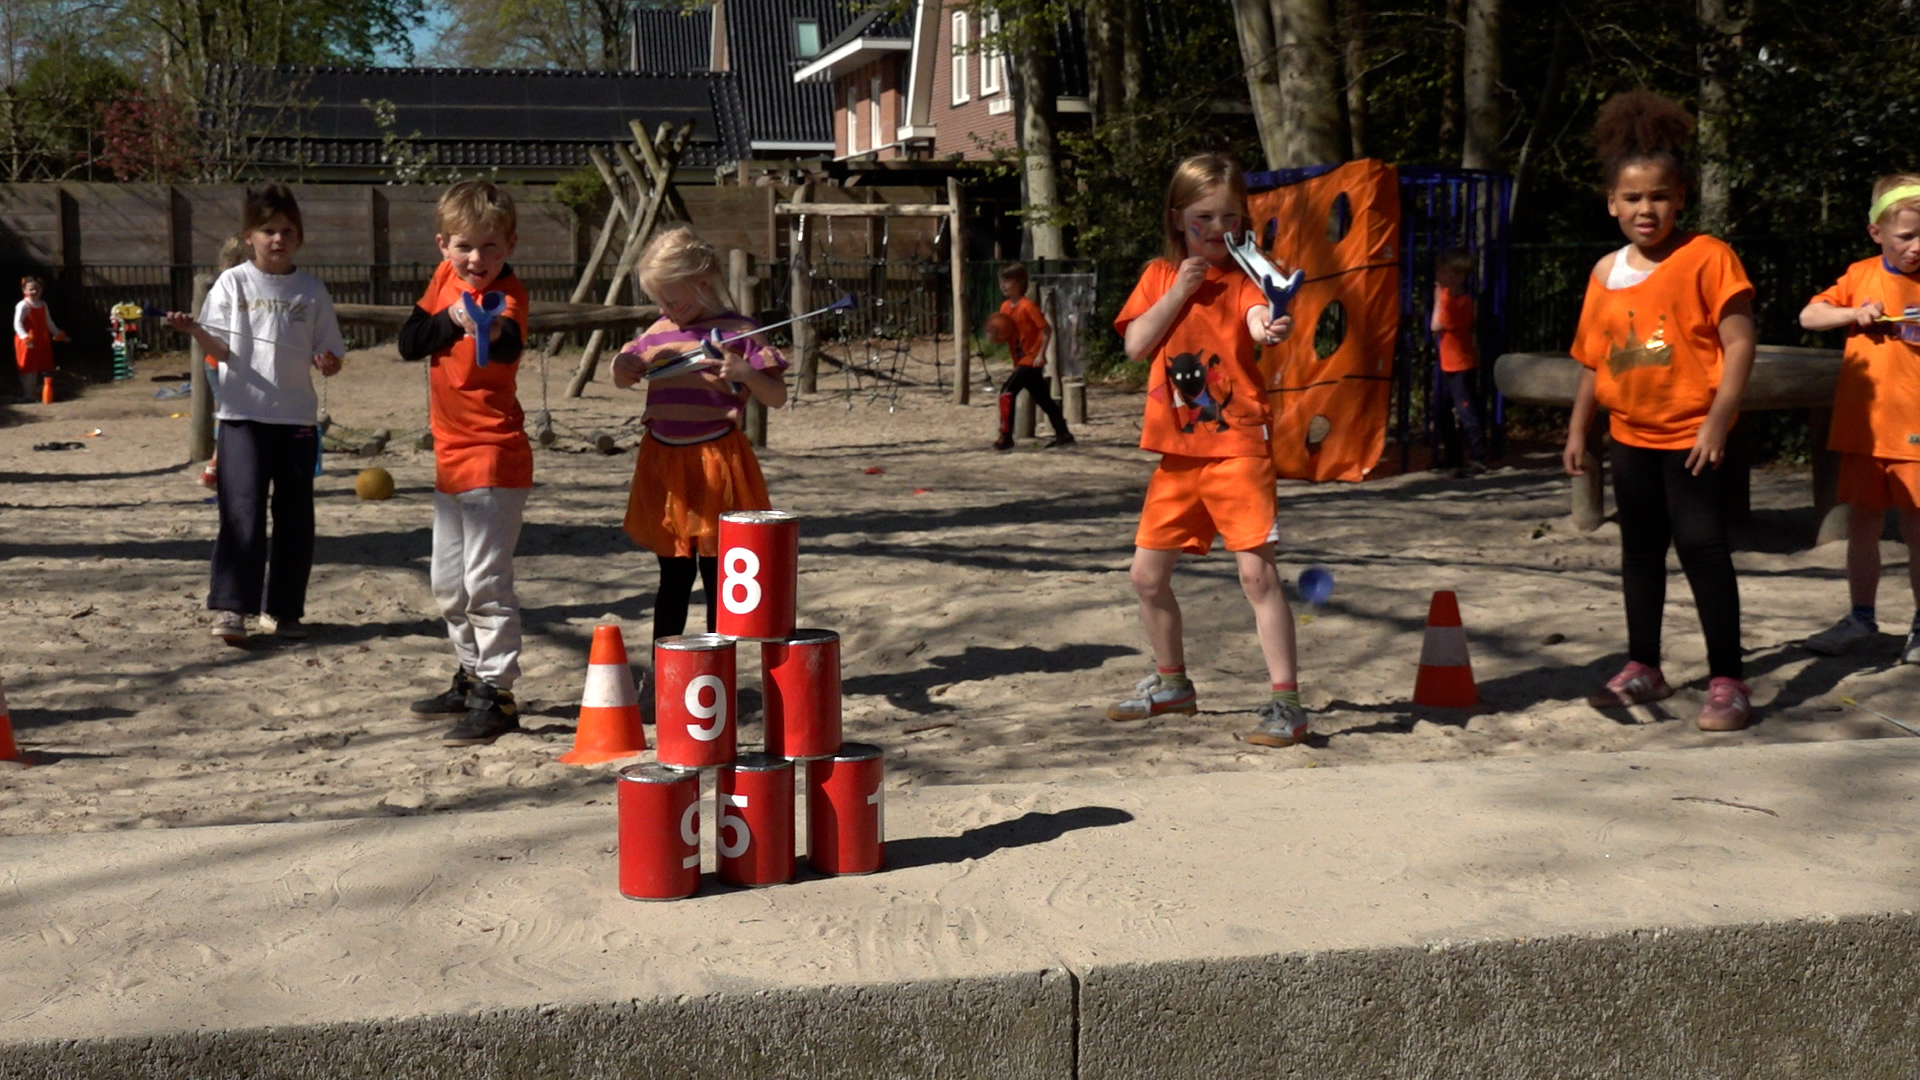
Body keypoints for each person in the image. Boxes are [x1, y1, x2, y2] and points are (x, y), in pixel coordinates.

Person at [1562, 91, 1757, 731]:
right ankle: (1644, 665)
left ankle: (1728, 679)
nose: (1647, 209)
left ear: (1681, 198)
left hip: (1693, 437)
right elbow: (1597, 360)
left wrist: (1717, 420)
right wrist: (1578, 430)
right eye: (1633, 198)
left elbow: (1739, 342)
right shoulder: (1604, 273)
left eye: (1660, 196)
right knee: (1640, 552)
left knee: (1703, 548)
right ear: (1612, 202)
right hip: (1630, 439)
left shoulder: (1709, 256)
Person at [1106, 152, 1305, 748]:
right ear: (1176, 218)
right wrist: (1180, 290)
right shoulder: (1158, 276)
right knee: (1146, 576)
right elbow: (1137, 344)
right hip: (1177, 455)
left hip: (1239, 447)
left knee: (1256, 575)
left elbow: (1256, 320)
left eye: (1230, 217)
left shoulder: (1248, 276)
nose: (1219, 230)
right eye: (1203, 218)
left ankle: (1286, 703)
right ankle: (1173, 686)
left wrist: (1270, 327)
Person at [164, 185, 346, 647]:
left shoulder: (311, 290)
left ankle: (284, 611)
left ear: (299, 237)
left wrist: (327, 360)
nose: (277, 240)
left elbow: (332, 353)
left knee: (295, 516)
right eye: (268, 231)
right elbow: (220, 347)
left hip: (296, 419)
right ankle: (231, 606)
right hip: (243, 417)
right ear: (249, 236)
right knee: (241, 512)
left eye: (287, 231)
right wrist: (195, 331)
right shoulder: (233, 283)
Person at [398, 181, 532, 747]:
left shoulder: (510, 295)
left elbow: (505, 345)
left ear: (509, 247)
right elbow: (411, 341)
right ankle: (470, 673)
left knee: (484, 582)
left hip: (494, 456)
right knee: (448, 585)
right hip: (449, 459)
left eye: (491, 248)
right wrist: (452, 317)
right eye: (465, 247)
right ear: (443, 245)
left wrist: (490, 327)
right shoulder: (442, 282)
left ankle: (497, 693)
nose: (478, 260)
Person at [611, 226, 789, 642]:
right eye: (659, 301)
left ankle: (716, 663)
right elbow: (623, 374)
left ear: (703, 284)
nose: (667, 309)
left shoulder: (738, 332)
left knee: (716, 573)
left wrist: (746, 373)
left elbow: (776, 396)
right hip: (665, 463)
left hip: (716, 463)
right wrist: (622, 367)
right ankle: (665, 666)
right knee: (673, 574)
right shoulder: (658, 333)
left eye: (673, 298)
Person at [1799, 173, 1920, 664]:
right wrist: (1852, 314)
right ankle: (1861, 618)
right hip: (1865, 432)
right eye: (1906, 236)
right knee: (1863, 529)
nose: (1916, 247)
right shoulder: (1860, 275)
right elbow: (1809, 315)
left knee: (1917, 532)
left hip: (1915, 435)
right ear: (1877, 233)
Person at [991, 262, 1073, 451]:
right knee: (1043, 399)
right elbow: (1007, 332)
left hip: (1030, 359)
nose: (1003, 286)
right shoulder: (1005, 307)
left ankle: (1005, 436)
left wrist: (1041, 354)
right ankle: (1063, 433)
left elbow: (1046, 330)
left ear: (1019, 283)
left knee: (1006, 393)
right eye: (1001, 282)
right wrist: (995, 335)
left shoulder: (1027, 306)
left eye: (1007, 282)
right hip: (1019, 358)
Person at [1430, 248, 1488, 477]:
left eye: (1444, 272)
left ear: (1459, 277)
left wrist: (1437, 301)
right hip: (1448, 363)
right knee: (1441, 411)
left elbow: (1436, 326)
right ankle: (1454, 455)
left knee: (1466, 411)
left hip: (1460, 365)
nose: (1439, 275)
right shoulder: (1447, 297)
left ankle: (1477, 457)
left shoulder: (1461, 302)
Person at [13, 275, 67, 402]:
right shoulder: (23, 305)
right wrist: (25, 337)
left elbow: (48, 322)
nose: (34, 291)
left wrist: (58, 334)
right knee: (28, 366)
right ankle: (28, 393)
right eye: (31, 289)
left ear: (41, 290)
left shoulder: (43, 304)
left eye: (37, 289)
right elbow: (17, 323)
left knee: (40, 365)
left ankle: (37, 391)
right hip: (27, 340)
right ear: (24, 291)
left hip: (41, 339)